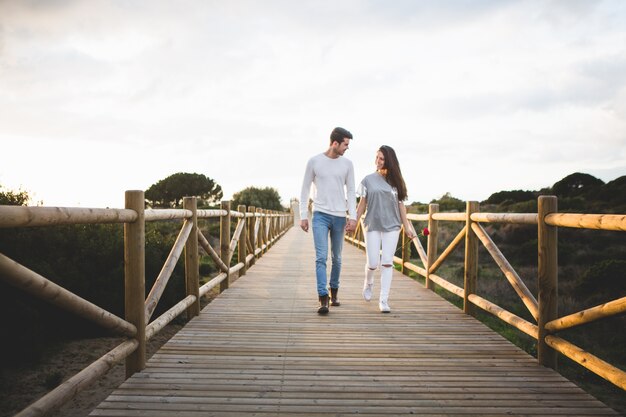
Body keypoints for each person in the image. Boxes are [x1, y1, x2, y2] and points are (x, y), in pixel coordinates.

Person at [300, 127, 357, 315]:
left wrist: (353, 217)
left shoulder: (348, 164)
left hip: (340, 216)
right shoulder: (314, 161)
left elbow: (350, 191)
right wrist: (303, 216)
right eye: (345, 144)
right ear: (335, 143)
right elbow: (305, 189)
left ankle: (334, 293)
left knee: (337, 258)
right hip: (320, 215)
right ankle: (323, 298)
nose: (347, 148)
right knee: (321, 257)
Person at [354, 145, 416, 313]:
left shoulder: (396, 182)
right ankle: (368, 282)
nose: (378, 161)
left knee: (387, 262)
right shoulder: (368, 180)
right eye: (377, 158)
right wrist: (353, 221)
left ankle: (383, 300)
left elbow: (401, 206)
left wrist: (407, 227)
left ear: (389, 160)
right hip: (372, 224)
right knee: (373, 262)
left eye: (381, 158)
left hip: (392, 226)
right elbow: (362, 204)